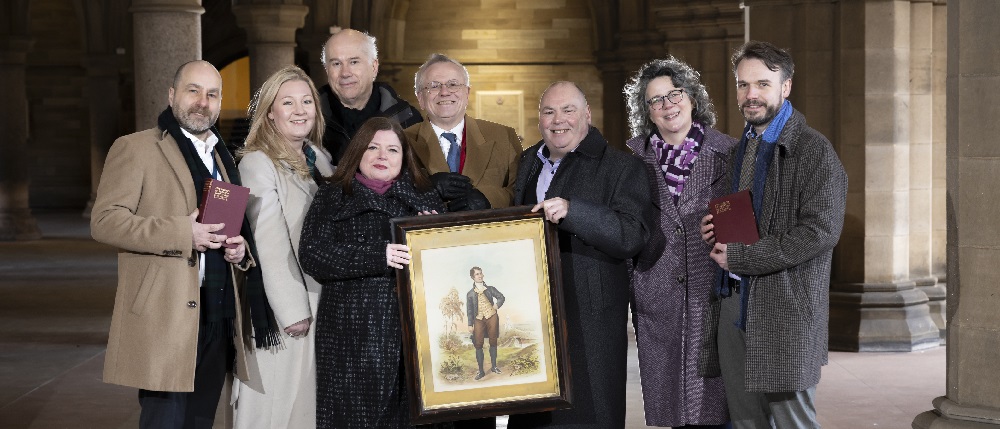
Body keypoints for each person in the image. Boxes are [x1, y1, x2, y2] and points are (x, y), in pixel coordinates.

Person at [90, 60, 278, 428]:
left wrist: (239, 252)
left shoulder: (224, 158)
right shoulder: (136, 148)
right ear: (172, 95)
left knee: (199, 421)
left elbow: (228, 228)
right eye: (193, 91)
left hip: (218, 312)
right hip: (167, 312)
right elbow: (104, 221)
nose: (202, 102)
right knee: (165, 419)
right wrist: (181, 234)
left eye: (212, 94)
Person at [699, 41, 847, 428]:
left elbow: (820, 231)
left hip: (785, 308)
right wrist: (713, 228)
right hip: (734, 302)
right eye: (743, 84)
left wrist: (744, 258)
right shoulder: (740, 150)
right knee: (746, 421)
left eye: (763, 84)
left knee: (792, 421)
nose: (751, 95)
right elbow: (742, 217)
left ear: (786, 87)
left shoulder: (814, 151)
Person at [506, 82, 654, 429]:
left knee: (589, 416)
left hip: (591, 320)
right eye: (548, 112)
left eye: (568, 110)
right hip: (533, 318)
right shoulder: (528, 161)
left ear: (586, 114)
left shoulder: (621, 167)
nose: (558, 120)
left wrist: (575, 212)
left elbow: (632, 235)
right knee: (533, 416)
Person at [299, 116, 444, 428]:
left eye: (392, 150)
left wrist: (436, 239)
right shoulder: (332, 195)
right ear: (357, 152)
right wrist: (377, 256)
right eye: (373, 148)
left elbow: (446, 273)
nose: (382, 156)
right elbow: (312, 255)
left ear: (404, 158)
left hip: (413, 336)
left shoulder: (425, 198)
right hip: (350, 338)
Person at [623, 57, 734, 428]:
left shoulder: (730, 154)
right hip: (658, 298)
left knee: (715, 410)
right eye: (656, 100)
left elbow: (746, 226)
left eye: (675, 94)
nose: (668, 105)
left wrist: (727, 236)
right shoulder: (631, 163)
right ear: (647, 112)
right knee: (675, 411)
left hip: (712, 295)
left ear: (692, 98)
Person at [233, 66, 334, 429]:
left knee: (308, 404)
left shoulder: (318, 158)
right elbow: (269, 242)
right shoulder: (258, 162)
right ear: (269, 112)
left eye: (307, 101)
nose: (300, 109)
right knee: (278, 404)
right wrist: (292, 311)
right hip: (286, 308)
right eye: (287, 102)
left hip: (322, 296)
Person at [405, 53, 522, 211]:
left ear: (467, 93)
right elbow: (385, 195)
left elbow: (522, 190)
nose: (444, 92)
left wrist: (488, 199)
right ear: (420, 98)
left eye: (453, 84)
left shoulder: (503, 136)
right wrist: (425, 188)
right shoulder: (402, 141)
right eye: (434, 86)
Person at [319, 29, 422, 165]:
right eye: (336, 64)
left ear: (374, 67)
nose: (345, 73)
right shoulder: (308, 119)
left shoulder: (407, 119)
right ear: (327, 70)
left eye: (354, 62)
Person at [465, 266, 506, 380]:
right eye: (477, 274)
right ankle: (481, 371)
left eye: (481, 273)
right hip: (478, 319)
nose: (480, 276)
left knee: (493, 341)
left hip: (491, 317)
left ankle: (494, 366)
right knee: (478, 343)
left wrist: (496, 306)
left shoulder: (490, 289)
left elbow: (501, 297)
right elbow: (469, 310)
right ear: (473, 277)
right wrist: (470, 324)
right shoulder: (470, 294)